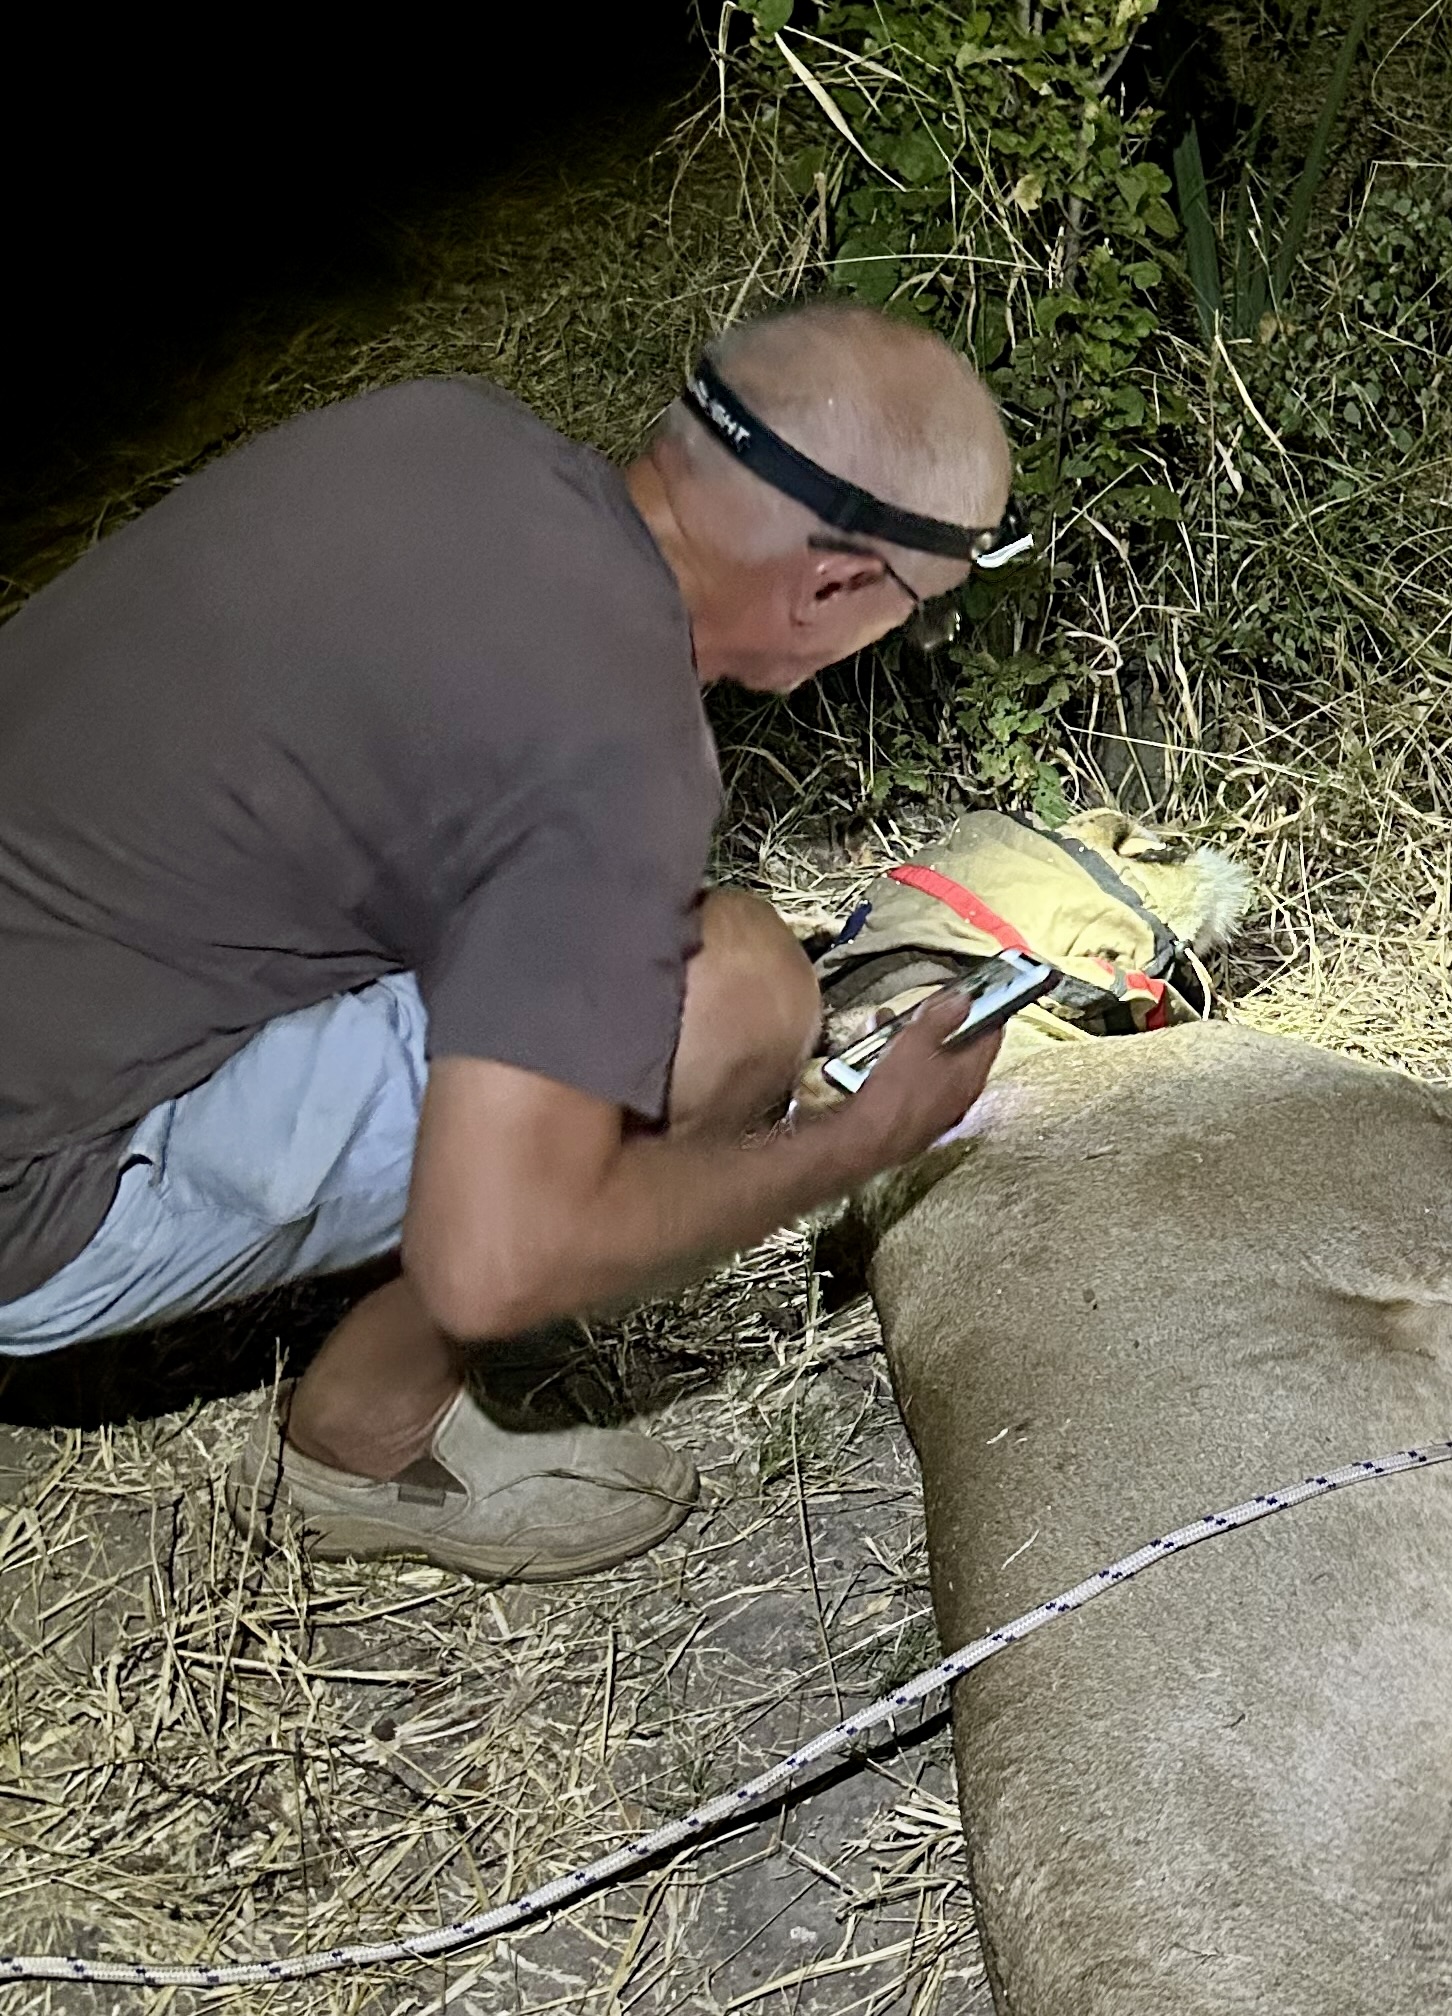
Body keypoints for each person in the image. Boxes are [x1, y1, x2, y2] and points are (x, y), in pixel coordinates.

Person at [0, 301, 1021, 1579]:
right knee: (738, 997)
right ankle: (368, 1441)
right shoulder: (617, 755)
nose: (902, 641)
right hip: (30, 1206)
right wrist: (863, 1138)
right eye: (919, 612)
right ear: (833, 584)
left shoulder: (443, 430)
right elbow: (496, 1264)